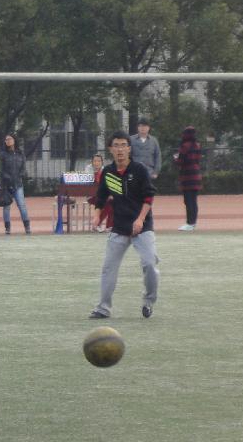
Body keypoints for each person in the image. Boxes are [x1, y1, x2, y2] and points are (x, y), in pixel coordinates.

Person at [89, 131, 160, 320]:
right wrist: (96, 216)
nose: (120, 149)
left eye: (123, 145)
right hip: (119, 227)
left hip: (142, 227)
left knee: (150, 264)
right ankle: (103, 308)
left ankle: (148, 301)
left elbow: (149, 196)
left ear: (129, 148)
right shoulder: (108, 172)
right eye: (116, 145)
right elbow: (100, 198)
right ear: (110, 149)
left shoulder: (139, 170)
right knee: (108, 268)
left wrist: (140, 219)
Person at [0, 133, 31, 235]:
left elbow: (23, 168)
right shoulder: (2, 154)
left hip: (18, 184)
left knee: (22, 205)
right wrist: (7, 178)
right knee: (6, 206)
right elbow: (1, 170)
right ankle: (7, 228)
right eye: (6, 140)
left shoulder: (20, 153)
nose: (8, 141)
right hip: (6, 185)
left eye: (9, 139)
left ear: (14, 140)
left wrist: (20, 175)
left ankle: (27, 226)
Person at [174, 126, 202, 231]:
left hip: (187, 176)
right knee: (193, 201)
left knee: (188, 200)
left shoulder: (184, 146)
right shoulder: (197, 145)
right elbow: (198, 159)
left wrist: (175, 158)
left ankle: (189, 223)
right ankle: (193, 222)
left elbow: (180, 161)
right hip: (196, 175)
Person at [86, 153, 113, 233]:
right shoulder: (88, 170)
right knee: (106, 202)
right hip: (91, 196)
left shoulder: (105, 170)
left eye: (99, 161)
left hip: (104, 196)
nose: (96, 163)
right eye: (95, 161)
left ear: (102, 162)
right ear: (92, 162)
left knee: (112, 202)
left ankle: (109, 226)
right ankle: (97, 225)